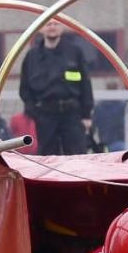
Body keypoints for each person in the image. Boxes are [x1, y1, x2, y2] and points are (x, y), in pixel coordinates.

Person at [19, 20, 93, 155]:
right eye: (48, 24)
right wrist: (35, 113)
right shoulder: (32, 56)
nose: (52, 27)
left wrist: (86, 115)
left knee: (77, 157)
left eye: (56, 24)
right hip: (45, 116)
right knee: (48, 158)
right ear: (41, 28)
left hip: (72, 115)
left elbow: (85, 85)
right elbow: (24, 89)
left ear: (62, 27)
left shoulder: (75, 52)